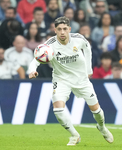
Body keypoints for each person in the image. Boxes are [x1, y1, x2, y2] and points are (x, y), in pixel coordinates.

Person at [28, 16, 114, 145]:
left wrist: (88, 69)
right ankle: (75, 135)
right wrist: (32, 70)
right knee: (57, 109)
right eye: (59, 29)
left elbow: (87, 49)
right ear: (55, 30)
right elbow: (35, 60)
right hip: (61, 79)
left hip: (81, 78)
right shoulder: (49, 46)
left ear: (69, 29)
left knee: (96, 110)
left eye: (64, 29)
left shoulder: (78, 39)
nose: (62, 32)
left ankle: (101, 127)